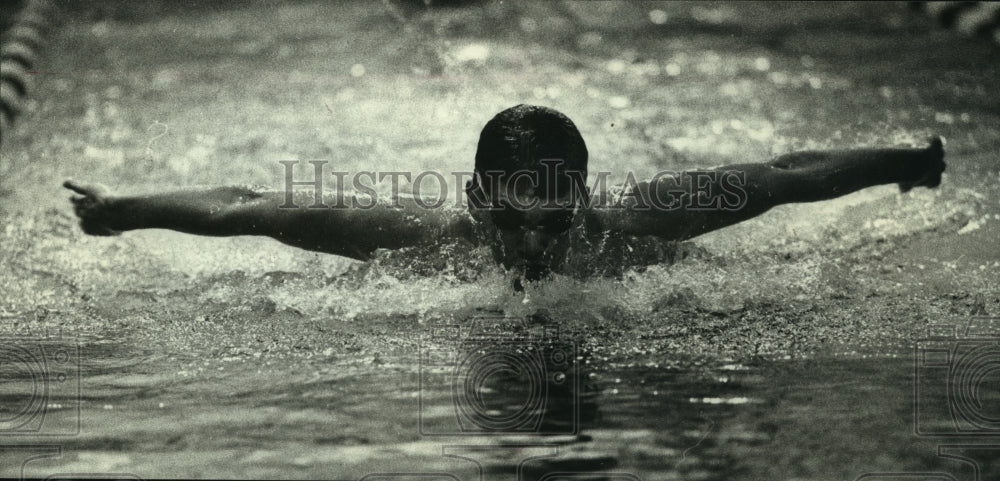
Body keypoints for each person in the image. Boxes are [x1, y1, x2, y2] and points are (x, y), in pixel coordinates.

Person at [65, 104, 946, 289]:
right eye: (510, 221)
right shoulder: (413, 237)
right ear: (476, 202)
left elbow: (788, 174)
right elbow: (249, 205)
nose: (533, 246)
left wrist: (909, 159)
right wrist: (122, 210)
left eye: (555, 221)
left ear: (584, 199)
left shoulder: (643, 219)